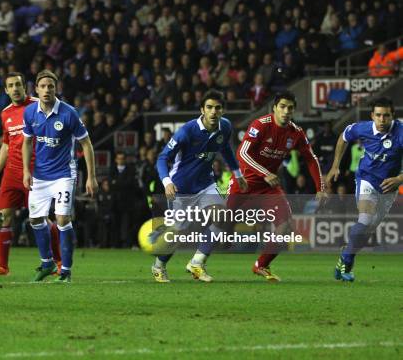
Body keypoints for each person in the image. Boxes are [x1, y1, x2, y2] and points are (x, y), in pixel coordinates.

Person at [228, 91, 327, 282]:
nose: (286, 111)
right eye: (282, 106)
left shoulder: (296, 133)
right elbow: (242, 153)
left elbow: (311, 159)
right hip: (245, 182)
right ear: (274, 108)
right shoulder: (261, 125)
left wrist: (320, 187)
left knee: (286, 224)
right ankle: (198, 259)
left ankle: (262, 265)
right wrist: (264, 173)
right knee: (223, 225)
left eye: (290, 108)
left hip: (268, 186)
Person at [153, 90, 248, 283]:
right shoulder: (187, 131)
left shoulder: (226, 126)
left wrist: (238, 174)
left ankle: (197, 262)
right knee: (178, 233)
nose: (213, 112)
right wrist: (167, 182)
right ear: (202, 110)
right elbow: (163, 158)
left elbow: (226, 150)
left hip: (205, 184)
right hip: (181, 188)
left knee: (222, 215)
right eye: (209, 107)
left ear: (223, 110)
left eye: (217, 108)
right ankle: (158, 265)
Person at [22, 70, 98, 283]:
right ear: (36, 89)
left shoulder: (69, 113)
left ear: (56, 89)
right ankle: (47, 263)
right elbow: (27, 142)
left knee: (62, 219)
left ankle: (65, 271)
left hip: (64, 174)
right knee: (35, 219)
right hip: (40, 176)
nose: (47, 90)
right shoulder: (29, 113)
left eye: (51, 86)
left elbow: (86, 143)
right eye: (43, 86)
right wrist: (26, 171)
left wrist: (91, 177)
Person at [0, 72, 61, 277]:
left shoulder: (39, 105)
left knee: (42, 219)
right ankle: (3, 267)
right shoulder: (5, 113)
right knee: (3, 217)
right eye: (11, 85)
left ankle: (59, 261)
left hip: (36, 171)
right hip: (11, 172)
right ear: (6, 90)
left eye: (18, 84)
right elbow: (6, 144)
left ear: (25, 86)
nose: (15, 88)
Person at [326, 97, 402, 282]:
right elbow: (344, 137)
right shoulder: (362, 128)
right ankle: (347, 263)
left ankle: (345, 255)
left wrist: (400, 179)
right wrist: (335, 164)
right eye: (378, 115)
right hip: (366, 178)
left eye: (386, 116)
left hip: (389, 186)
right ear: (372, 116)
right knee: (365, 218)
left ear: (393, 116)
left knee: (366, 231)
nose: (382, 120)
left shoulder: (400, 132)